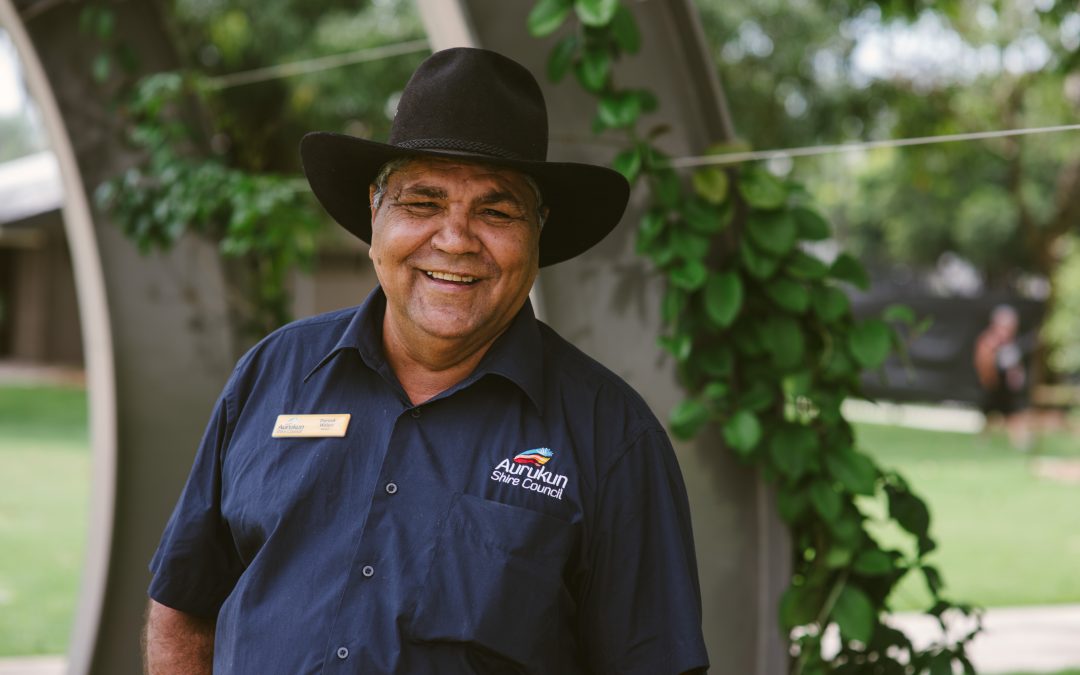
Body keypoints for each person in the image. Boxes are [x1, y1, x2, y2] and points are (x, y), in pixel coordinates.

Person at [144, 48, 709, 674]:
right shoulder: (273, 373)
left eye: (496, 211)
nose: (455, 240)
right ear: (375, 211)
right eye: (422, 203)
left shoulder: (612, 436)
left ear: (538, 231)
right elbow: (185, 603)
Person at [973, 304, 1031, 448]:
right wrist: (990, 379)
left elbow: (1014, 364)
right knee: (993, 413)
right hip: (995, 383)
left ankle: (1019, 441)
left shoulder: (1009, 343)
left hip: (1006, 385)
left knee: (1012, 412)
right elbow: (983, 362)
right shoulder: (989, 341)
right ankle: (984, 440)